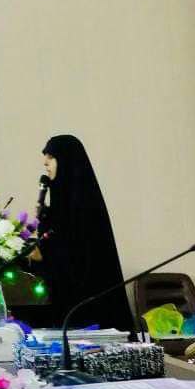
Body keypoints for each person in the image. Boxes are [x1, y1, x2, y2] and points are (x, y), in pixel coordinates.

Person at [35, 135, 132, 330]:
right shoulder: (59, 205)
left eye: (51, 157)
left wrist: (43, 254)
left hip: (90, 313)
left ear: (66, 162)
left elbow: (78, 258)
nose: (45, 162)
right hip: (66, 308)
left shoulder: (83, 206)